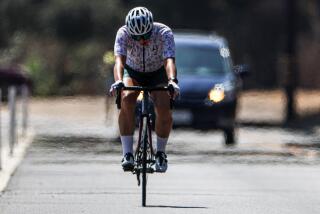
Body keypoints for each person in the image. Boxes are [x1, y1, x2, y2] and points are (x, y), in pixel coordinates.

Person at [109, 7, 179, 173]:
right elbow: (119, 61)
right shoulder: (123, 33)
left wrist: (172, 81)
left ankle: (160, 153)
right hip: (133, 71)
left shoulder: (164, 32)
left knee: (163, 106)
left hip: (158, 73)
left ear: (151, 28)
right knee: (126, 98)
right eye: (137, 37)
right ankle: (127, 154)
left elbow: (169, 60)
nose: (141, 40)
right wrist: (118, 81)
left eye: (145, 36)